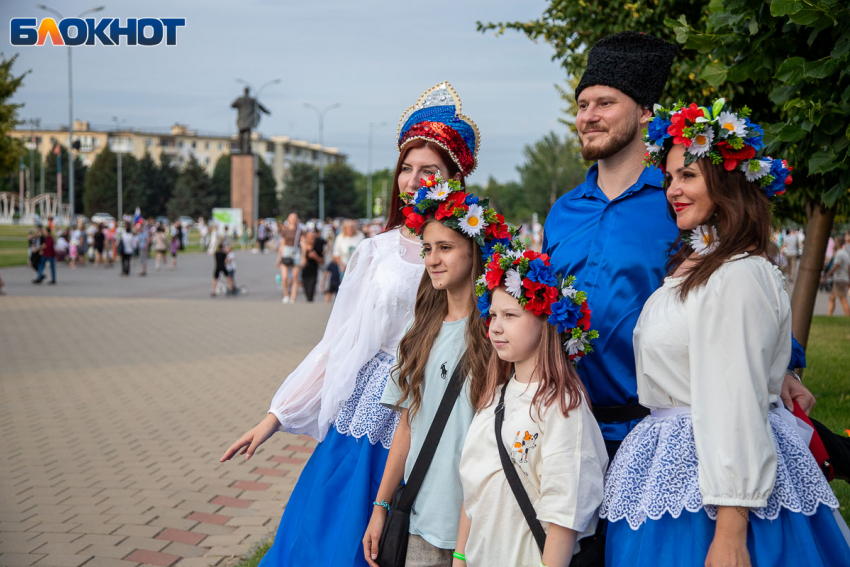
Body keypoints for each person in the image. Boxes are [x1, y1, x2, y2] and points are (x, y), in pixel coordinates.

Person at [221, 82, 479, 567]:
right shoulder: (375, 252)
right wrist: (275, 416)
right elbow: (336, 345)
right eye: (406, 167)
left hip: (443, 406)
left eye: (430, 170)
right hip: (372, 414)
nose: (413, 180)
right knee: (335, 540)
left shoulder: (469, 251)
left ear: (454, 178)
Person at [542, 32, 814, 464]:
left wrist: (783, 367)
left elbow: (740, 281)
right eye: (582, 105)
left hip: (649, 431)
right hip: (565, 428)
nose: (588, 116)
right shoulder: (562, 211)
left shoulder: (681, 202)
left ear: (646, 112)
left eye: (605, 103)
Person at [600, 99, 848, 567]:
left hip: (719, 490)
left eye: (688, 175)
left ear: (728, 182)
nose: (672, 188)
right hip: (677, 467)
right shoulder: (696, 267)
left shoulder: (737, 274)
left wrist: (731, 533)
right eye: (670, 177)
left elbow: (735, 399)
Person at [364, 174, 509, 566]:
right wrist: (380, 506)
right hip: (422, 521)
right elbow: (406, 428)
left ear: (474, 250)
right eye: (428, 248)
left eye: (445, 247)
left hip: (482, 525)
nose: (432, 259)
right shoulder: (419, 335)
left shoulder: (499, 334)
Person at [455, 245, 607, 567]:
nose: (495, 326)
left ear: (546, 321)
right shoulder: (493, 397)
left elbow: (565, 517)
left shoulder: (564, 408)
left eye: (510, 315)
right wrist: (458, 558)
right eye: (493, 315)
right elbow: (474, 495)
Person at [277, 212, 303, 304]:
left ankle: (293, 297)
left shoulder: (299, 230)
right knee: (284, 277)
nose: (293, 219)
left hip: (296, 252)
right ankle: (286, 295)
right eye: (291, 217)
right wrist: (279, 258)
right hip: (286, 252)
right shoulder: (285, 230)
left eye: (295, 217)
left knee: (295, 277)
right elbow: (282, 243)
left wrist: (303, 257)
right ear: (288, 219)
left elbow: (303, 244)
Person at [824, 235, 850, 316]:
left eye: (835, 242)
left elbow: (836, 266)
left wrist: (828, 274)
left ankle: (848, 316)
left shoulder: (839, 254)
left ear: (838, 243)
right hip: (842, 279)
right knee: (832, 298)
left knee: (843, 299)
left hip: (840, 279)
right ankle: (829, 315)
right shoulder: (845, 253)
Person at [301, 226, 325, 303]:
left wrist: (315, 257)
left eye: (313, 237)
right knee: (305, 286)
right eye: (310, 237)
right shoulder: (302, 247)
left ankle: (310, 300)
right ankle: (308, 299)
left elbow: (322, 260)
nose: (312, 239)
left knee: (312, 285)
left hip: (314, 269)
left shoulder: (317, 246)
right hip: (304, 270)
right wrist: (304, 250)